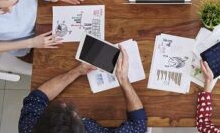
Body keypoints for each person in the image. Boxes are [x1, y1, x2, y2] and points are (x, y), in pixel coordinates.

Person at [19, 45, 148, 133]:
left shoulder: (29, 126)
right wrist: (124, 80)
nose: (64, 104)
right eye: (73, 115)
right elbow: (138, 125)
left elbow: (37, 97)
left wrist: (77, 71)